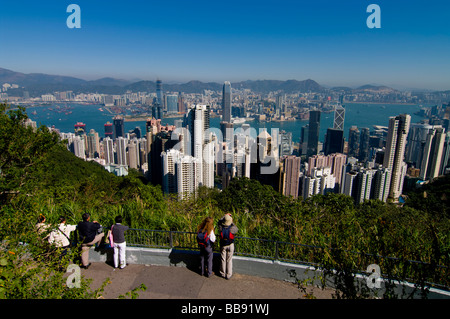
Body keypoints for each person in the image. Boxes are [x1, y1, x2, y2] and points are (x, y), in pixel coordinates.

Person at [217, 213, 238, 280]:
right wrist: (231, 221)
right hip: (230, 244)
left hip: (223, 244)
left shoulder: (221, 227)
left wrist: (225, 216)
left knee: (223, 259)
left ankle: (223, 273)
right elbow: (236, 229)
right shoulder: (232, 228)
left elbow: (219, 222)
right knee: (229, 260)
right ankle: (228, 274)